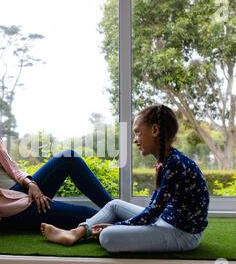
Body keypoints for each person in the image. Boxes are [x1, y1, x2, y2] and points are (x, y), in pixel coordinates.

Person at [0, 86, 113, 231]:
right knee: (90, 215)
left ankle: (116, 207)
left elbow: (15, 168)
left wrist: (30, 184)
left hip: (23, 192)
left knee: (68, 157)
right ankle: (125, 220)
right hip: (9, 209)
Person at [41, 104, 210, 253]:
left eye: (137, 132)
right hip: (166, 219)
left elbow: (151, 214)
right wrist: (124, 225)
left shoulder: (175, 164)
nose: (135, 140)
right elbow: (153, 209)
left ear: (155, 130)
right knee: (114, 205)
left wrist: (116, 226)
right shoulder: (168, 160)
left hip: (182, 234)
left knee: (107, 236)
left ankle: (91, 232)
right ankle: (77, 232)